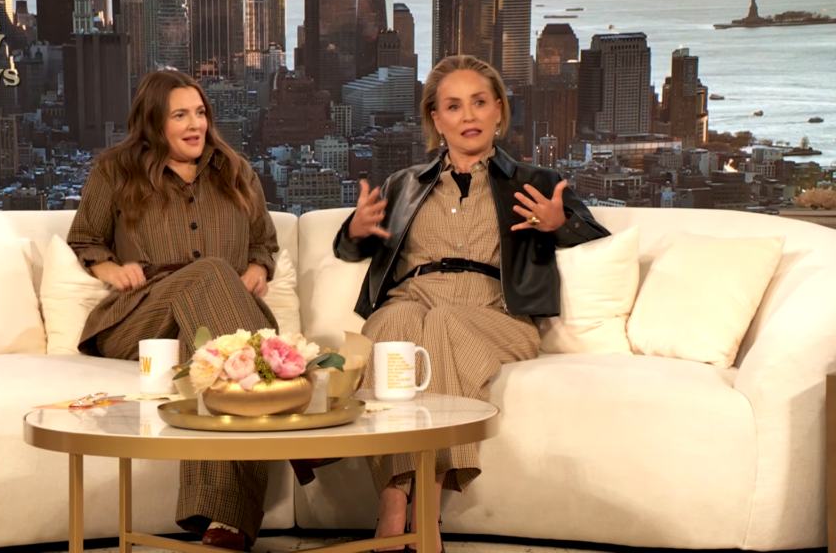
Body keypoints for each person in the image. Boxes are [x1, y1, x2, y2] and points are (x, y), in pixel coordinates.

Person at [333, 54, 611, 552]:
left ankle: (428, 514)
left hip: (495, 311)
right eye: (453, 106)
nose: (468, 116)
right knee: (391, 328)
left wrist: (556, 223)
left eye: (479, 103)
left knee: (443, 324)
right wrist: (352, 231)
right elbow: (354, 246)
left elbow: (591, 231)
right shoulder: (404, 184)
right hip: (411, 295)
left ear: (499, 112)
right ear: (436, 119)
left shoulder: (536, 180)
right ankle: (393, 506)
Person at [67, 70, 280, 552]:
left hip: (215, 320)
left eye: (200, 113)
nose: (195, 124)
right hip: (141, 320)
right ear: (153, 123)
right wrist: (110, 270)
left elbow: (265, 243)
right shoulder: (115, 171)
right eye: (179, 115)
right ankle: (282, 406)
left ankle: (225, 525)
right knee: (209, 276)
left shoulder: (235, 170)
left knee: (204, 350)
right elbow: (86, 239)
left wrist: (257, 269)